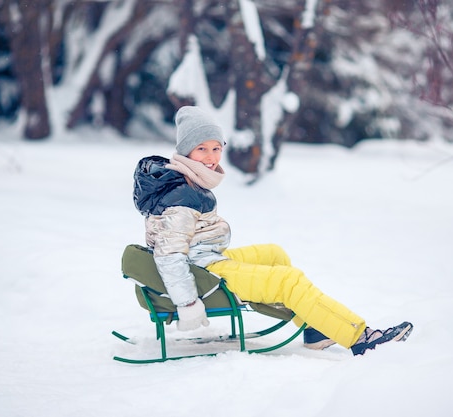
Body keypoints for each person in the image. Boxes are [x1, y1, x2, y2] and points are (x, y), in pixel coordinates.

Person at [133, 106, 413, 356]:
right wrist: (187, 303)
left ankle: (315, 328)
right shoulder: (181, 196)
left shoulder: (186, 183)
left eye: (216, 148)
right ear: (186, 152)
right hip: (204, 273)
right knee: (288, 281)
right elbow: (169, 255)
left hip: (205, 260)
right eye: (202, 149)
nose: (211, 157)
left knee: (273, 254)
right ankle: (360, 338)